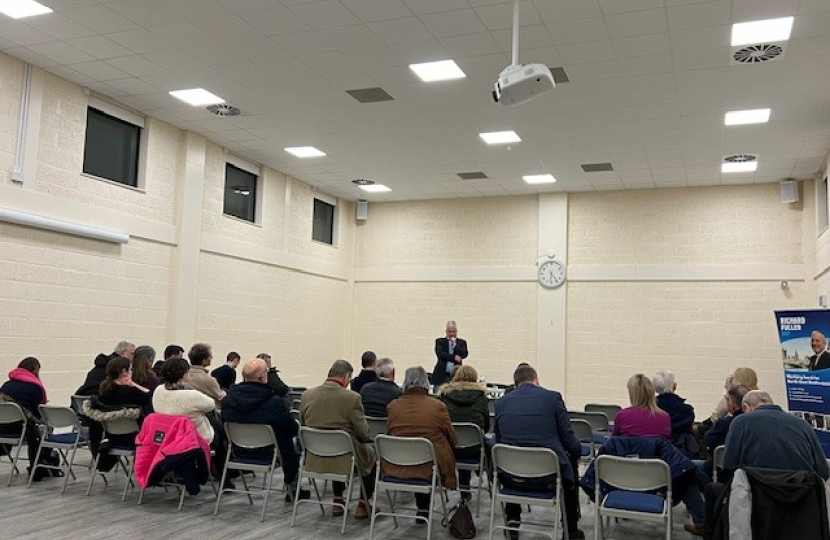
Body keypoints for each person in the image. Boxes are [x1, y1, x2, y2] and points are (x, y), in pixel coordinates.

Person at [703, 390, 830, 538]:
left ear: (746, 407)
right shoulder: (803, 425)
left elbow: (728, 468)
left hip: (757, 504)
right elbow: (823, 471)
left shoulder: (741, 422)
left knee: (713, 489)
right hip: (801, 506)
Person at [494, 364, 583, 540]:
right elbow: (569, 440)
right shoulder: (553, 398)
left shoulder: (500, 403)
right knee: (570, 462)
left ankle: (512, 523)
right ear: (536, 380)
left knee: (511, 455)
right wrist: (578, 452)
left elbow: (498, 440)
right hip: (548, 477)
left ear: (515, 383)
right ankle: (570, 529)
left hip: (511, 477)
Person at [221, 358, 309, 501]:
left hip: (238, 450)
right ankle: (292, 488)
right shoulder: (274, 402)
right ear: (262, 376)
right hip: (270, 451)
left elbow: (224, 422)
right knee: (290, 442)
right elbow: (291, 428)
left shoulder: (228, 400)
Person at [300, 360, 376, 519]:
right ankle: (363, 504)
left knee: (337, 445)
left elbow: (303, 424)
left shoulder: (307, 395)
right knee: (371, 454)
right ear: (346, 377)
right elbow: (363, 433)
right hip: (345, 457)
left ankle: (337, 500)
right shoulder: (352, 398)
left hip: (314, 456)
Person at [386, 366, 457, 518]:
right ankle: (424, 509)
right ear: (426, 382)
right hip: (429, 466)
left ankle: (422, 509)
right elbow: (452, 438)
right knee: (430, 454)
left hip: (396, 464)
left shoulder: (393, 407)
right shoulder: (438, 407)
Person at [438, 364, 489, 499]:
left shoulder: (444, 396)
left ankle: (457, 488)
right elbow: (487, 426)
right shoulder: (482, 397)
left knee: (457, 438)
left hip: (448, 447)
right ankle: (478, 485)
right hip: (474, 448)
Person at [0, 357, 49, 479]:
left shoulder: (6, 385)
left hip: (3, 428)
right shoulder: (35, 386)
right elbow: (38, 411)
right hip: (23, 429)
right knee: (45, 428)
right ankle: (39, 465)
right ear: (34, 371)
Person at [653, 369, 699, 458]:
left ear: (654, 388)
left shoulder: (648, 410)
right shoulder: (687, 411)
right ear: (674, 386)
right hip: (681, 454)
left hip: (655, 453)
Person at [613, 374, 671, 439]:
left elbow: (614, 442)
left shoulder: (622, 415)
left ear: (632, 394)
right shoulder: (665, 417)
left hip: (630, 449)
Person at [432, 320, 468, 389]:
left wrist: (455, 345)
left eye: (453, 332)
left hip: (456, 374)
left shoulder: (462, 342)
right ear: (446, 331)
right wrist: (454, 357)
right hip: (442, 374)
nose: (451, 334)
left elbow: (464, 354)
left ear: (456, 331)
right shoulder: (440, 341)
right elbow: (440, 354)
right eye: (449, 331)